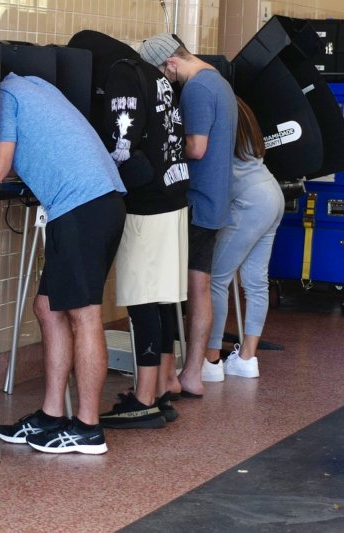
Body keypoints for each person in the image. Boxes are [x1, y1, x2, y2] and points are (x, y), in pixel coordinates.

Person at [0, 71, 127, 454]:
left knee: (83, 314)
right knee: (49, 307)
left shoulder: (5, 96)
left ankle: (88, 426)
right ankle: (52, 415)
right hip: (100, 200)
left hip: (81, 207)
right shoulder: (36, 85)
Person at [67, 30, 189, 429]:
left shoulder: (122, 75)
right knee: (163, 297)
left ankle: (144, 399)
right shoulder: (156, 77)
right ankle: (161, 386)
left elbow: (123, 144)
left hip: (147, 202)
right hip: (174, 193)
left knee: (142, 300)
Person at [140, 33, 237, 398]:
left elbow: (196, 148)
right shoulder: (219, 81)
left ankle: (187, 372)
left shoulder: (196, 88)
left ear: (171, 63)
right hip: (215, 198)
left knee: (192, 288)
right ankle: (192, 372)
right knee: (202, 286)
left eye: (165, 74)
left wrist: (158, 141)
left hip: (197, 199)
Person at [206, 97, 284, 377]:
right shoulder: (243, 111)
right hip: (271, 191)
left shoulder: (217, 118)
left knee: (216, 279)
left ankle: (211, 361)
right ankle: (247, 359)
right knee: (255, 281)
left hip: (250, 201)